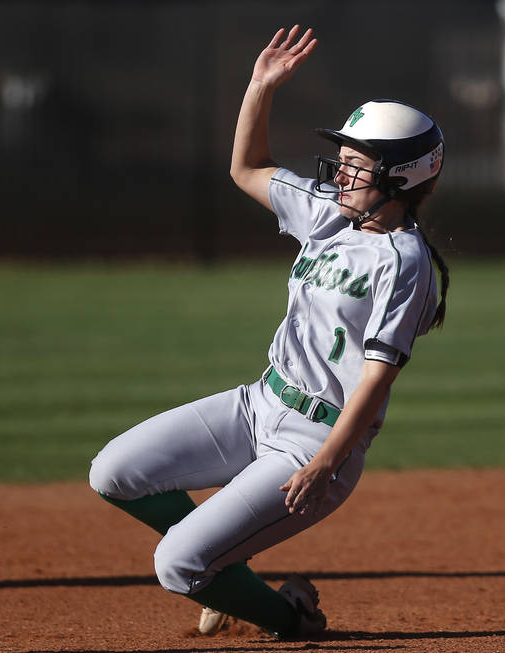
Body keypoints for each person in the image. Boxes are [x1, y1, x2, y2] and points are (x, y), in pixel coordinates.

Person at [88, 24, 449, 639]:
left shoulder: (403, 263)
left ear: (401, 177)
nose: (341, 172)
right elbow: (247, 167)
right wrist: (260, 87)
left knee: (176, 563)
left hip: (313, 443)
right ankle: (231, 562)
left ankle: (293, 619)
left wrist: (326, 464)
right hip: (258, 404)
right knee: (114, 473)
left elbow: (376, 378)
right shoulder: (331, 216)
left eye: (357, 164)